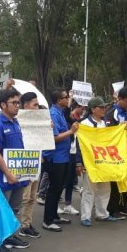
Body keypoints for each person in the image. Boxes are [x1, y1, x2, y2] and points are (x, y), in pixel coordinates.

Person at [0, 89, 31, 252]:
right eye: (14, 103)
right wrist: (7, 173)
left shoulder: (15, 122)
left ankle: (9, 237)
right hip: (4, 176)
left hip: (19, 174)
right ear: (3, 105)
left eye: (18, 103)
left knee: (14, 208)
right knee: (2, 209)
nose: (17, 106)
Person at [41, 89, 79, 232]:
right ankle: (47, 220)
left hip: (63, 156)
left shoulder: (61, 112)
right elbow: (54, 138)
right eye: (65, 97)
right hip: (55, 157)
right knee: (53, 189)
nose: (68, 99)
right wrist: (71, 131)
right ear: (58, 100)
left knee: (59, 188)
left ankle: (54, 216)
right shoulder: (53, 114)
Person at [76, 97, 118, 226]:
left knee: (105, 188)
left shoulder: (106, 123)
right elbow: (78, 144)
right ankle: (85, 216)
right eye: (101, 107)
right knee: (89, 190)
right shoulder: (83, 124)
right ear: (93, 109)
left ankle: (102, 213)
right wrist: (79, 162)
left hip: (104, 160)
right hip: (90, 161)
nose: (104, 109)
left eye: (104, 107)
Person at [105, 86, 127, 218]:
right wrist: (118, 128)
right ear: (119, 99)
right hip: (115, 153)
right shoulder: (110, 113)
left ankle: (124, 206)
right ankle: (112, 209)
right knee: (115, 183)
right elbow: (107, 133)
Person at [17, 92, 43, 238]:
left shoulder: (40, 120)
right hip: (23, 162)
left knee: (33, 196)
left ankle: (27, 224)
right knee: (24, 197)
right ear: (26, 105)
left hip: (36, 160)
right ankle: (17, 226)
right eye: (35, 104)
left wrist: (47, 127)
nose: (37, 107)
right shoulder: (17, 120)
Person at [57, 100, 83, 216]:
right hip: (65, 153)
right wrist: (70, 100)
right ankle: (56, 204)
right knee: (61, 181)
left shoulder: (78, 121)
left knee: (70, 181)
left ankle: (68, 205)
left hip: (74, 153)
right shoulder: (64, 119)